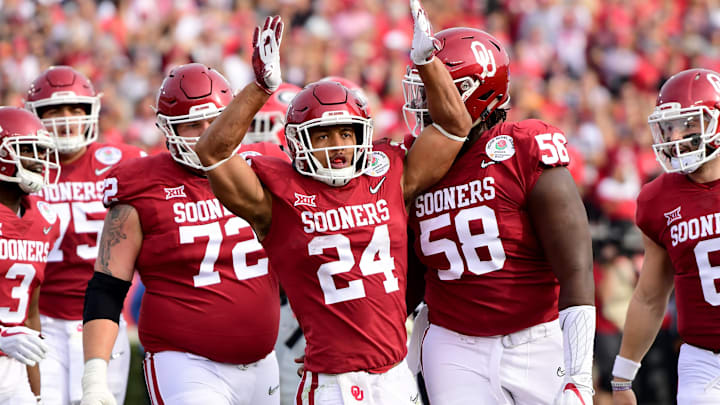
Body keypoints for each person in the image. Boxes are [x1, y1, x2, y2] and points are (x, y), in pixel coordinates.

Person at [195, 3, 471, 403]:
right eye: (322, 135)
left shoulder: (389, 173)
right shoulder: (278, 196)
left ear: (363, 133)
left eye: (346, 132)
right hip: (334, 384)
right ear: (296, 141)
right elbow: (213, 152)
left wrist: (427, 61)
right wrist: (260, 88)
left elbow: (453, 126)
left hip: (395, 375)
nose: (337, 146)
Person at [402, 27, 595, 405]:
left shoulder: (522, 148)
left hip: (536, 338)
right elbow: (408, 276)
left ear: (474, 93)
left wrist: (579, 377)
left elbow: (576, 268)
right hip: (452, 346)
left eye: (434, 88)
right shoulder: (418, 163)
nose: (423, 102)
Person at [79, 63, 282, 405]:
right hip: (185, 364)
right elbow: (107, 287)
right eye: (192, 125)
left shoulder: (263, 166)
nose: (206, 134)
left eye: (214, 121)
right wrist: (95, 376)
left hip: (264, 364)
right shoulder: (142, 185)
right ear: (167, 128)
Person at [24, 66, 146, 405]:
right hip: (40, 318)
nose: (65, 119)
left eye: (74, 109)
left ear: (91, 111)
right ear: (34, 117)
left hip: (102, 319)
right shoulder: (21, 168)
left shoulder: (124, 162)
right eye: (54, 111)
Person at [611, 68, 720, 405]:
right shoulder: (658, 199)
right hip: (703, 360)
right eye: (671, 126)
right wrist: (621, 377)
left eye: (689, 124)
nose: (677, 136)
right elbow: (650, 295)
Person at [0, 107, 60, 404]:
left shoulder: (43, 219)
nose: (38, 160)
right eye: (27, 150)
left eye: (40, 151)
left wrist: (36, 393)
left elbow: (31, 313)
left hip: (15, 371)